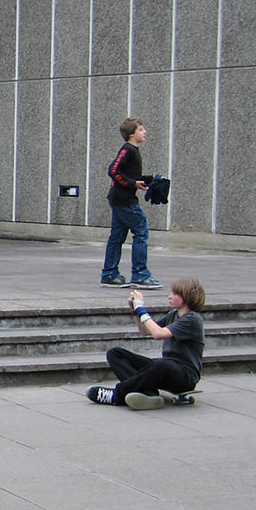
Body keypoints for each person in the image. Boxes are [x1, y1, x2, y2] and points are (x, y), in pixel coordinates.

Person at [87, 276, 206, 410]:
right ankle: (148, 393)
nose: (169, 296)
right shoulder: (174, 314)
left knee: (161, 364)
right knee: (115, 354)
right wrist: (135, 311)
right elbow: (145, 331)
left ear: (187, 296)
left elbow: (158, 334)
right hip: (166, 369)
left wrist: (141, 309)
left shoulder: (193, 319)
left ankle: (117, 395)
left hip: (185, 377)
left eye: (175, 294)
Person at [101, 116, 162, 289]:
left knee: (117, 237)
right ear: (131, 134)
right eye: (141, 129)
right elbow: (113, 170)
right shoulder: (128, 149)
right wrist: (132, 184)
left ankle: (109, 274)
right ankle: (140, 274)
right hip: (124, 200)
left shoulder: (133, 150)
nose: (145, 132)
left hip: (119, 199)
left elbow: (130, 176)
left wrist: (149, 180)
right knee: (141, 232)